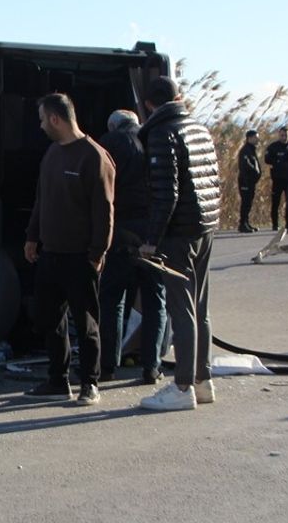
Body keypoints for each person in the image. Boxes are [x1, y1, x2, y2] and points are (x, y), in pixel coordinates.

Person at [23, 92, 115, 407]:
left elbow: (104, 211)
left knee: (85, 321)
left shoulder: (93, 156)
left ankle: (90, 382)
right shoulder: (51, 154)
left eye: (41, 118)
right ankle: (57, 380)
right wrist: (32, 236)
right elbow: (41, 199)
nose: (40, 125)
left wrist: (97, 252)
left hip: (81, 256)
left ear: (55, 119)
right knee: (49, 318)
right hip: (51, 253)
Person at [137, 77, 221, 412]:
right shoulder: (199, 127)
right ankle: (203, 380)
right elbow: (214, 179)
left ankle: (182, 386)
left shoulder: (161, 133)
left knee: (181, 308)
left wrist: (151, 240)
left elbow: (166, 193)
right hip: (205, 226)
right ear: (179, 97)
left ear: (147, 105)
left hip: (179, 233)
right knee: (200, 307)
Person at [96, 109, 165, 385]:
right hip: (152, 233)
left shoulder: (109, 143)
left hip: (121, 231)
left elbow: (101, 188)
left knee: (112, 299)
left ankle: (107, 366)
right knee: (154, 300)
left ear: (113, 126)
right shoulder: (155, 139)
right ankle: (151, 367)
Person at [264, 126, 288, 231]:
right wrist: (277, 162)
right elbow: (267, 159)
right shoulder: (273, 147)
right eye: (282, 135)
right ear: (279, 135)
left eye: (286, 135)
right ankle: (275, 224)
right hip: (277, 178)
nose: (284, 137)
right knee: (275, 202)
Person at [237, 129, 262, 233]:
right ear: (249, 138)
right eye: (256, 137)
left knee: (248, 203)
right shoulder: (245, 150)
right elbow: (244, 166)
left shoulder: (252, 149)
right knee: (245, 202)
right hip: (245, 181)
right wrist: (251, 175)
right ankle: (242, 224)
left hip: (251, 182)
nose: (257, 139)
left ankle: (246, 222)